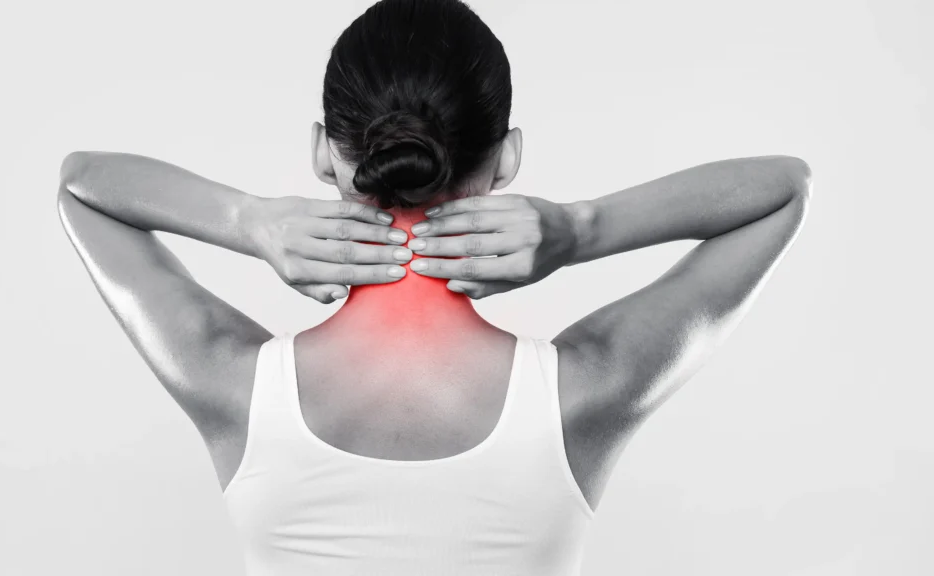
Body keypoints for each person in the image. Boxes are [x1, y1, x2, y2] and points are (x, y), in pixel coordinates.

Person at [56, 0, 812, 573]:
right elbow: (782, 188)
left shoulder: (226, 375)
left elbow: (83, 184)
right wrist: (583, 230)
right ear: (507, 157)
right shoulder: (589, 386)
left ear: (327, 154)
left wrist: (246, 220)